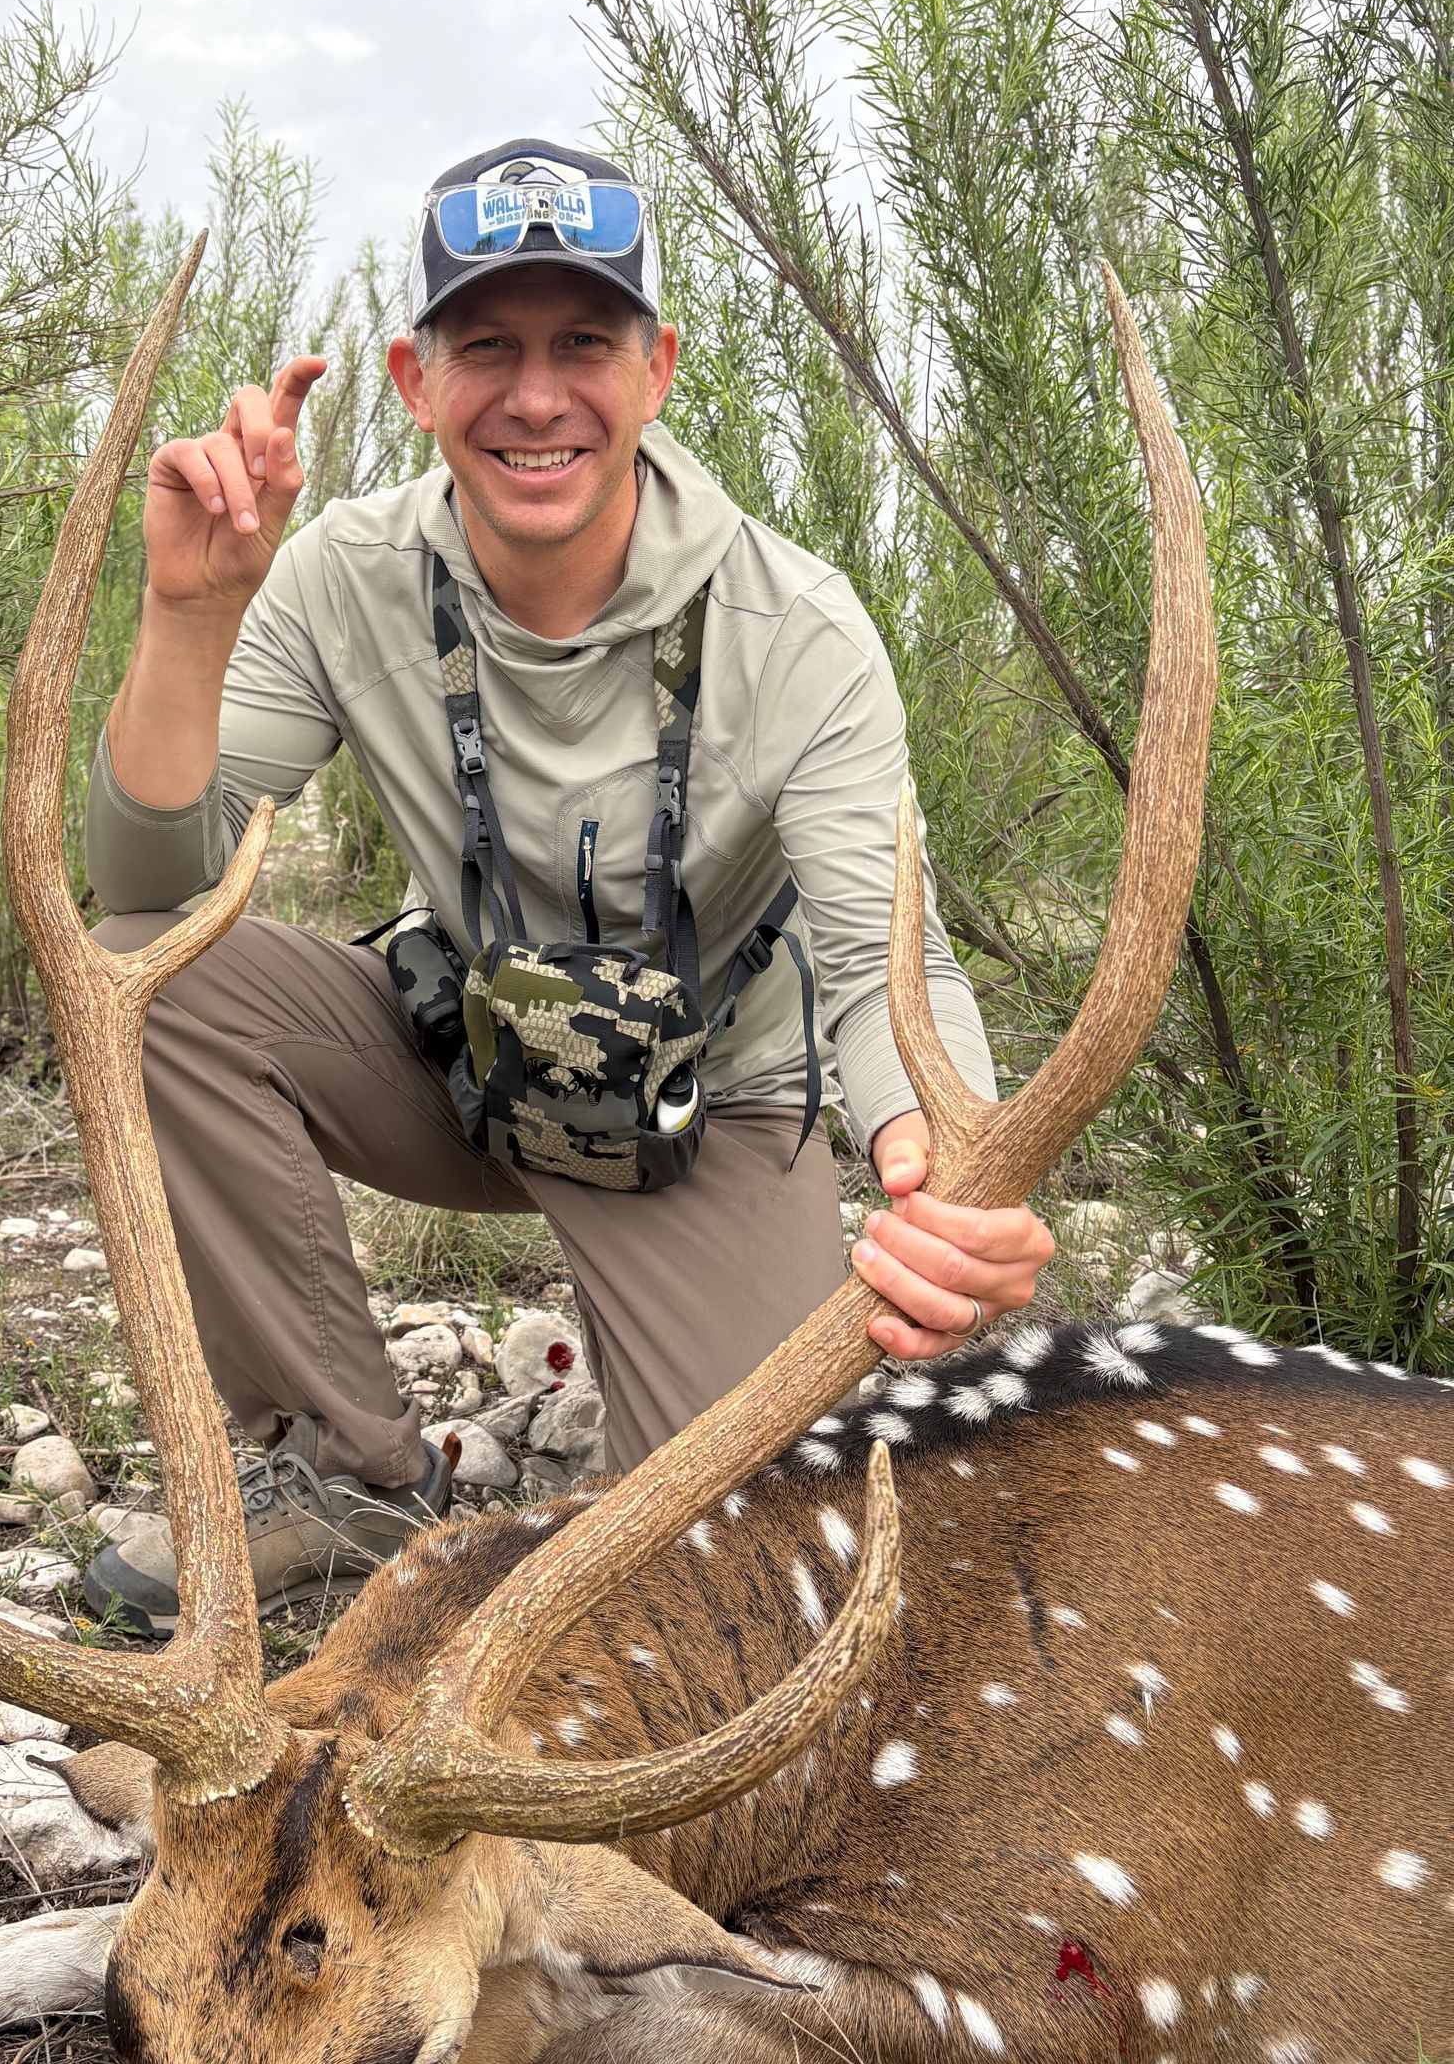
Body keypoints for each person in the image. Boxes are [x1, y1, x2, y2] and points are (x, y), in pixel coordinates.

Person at [80, 138, 1054, 1634]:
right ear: (415, 381)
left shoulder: (797, 623)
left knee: (713, 1572)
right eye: (488, 346)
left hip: (709, 1107)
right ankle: (343, 1462)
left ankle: (654, 1426)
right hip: (468, 1052)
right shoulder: (342, 574)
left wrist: (944, 1179)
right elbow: (151, 880)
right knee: (141, 973)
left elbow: (884, 966)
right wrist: (188, 617)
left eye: (583, 343)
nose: (536, 396)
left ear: (657, 367)